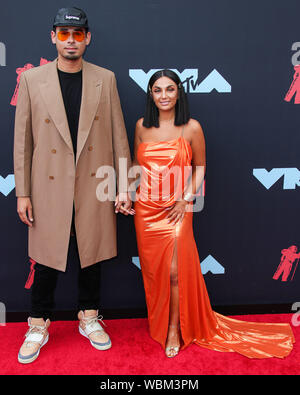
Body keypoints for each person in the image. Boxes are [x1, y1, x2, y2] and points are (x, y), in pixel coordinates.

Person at [132, 69, 295, 358]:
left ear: (179, 92)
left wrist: (184, 200)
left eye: (170, 89)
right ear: (151, 95)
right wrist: (125, 192)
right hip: (146, 209)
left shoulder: (192, 127)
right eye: (157, 90)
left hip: (177, 208)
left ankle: (174, 329)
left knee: (174, 272)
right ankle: (161, 320)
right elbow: (135, 165)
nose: (164, 96)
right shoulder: (141, 127)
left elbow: (200, 168)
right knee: (155, 273)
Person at [14, 7, 133, 364]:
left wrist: (125, 184)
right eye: (64, 33)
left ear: (87, 38)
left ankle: (89, 316)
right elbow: (24, 140)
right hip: (48, 185)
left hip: (94, 182)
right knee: (47, 258)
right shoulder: (33, 80)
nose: (70, 40)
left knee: (90, 255)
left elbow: (118, 135)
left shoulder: (105, 79)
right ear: (53, 36)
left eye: (77, 34)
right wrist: (23, 192)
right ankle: (37, 323)